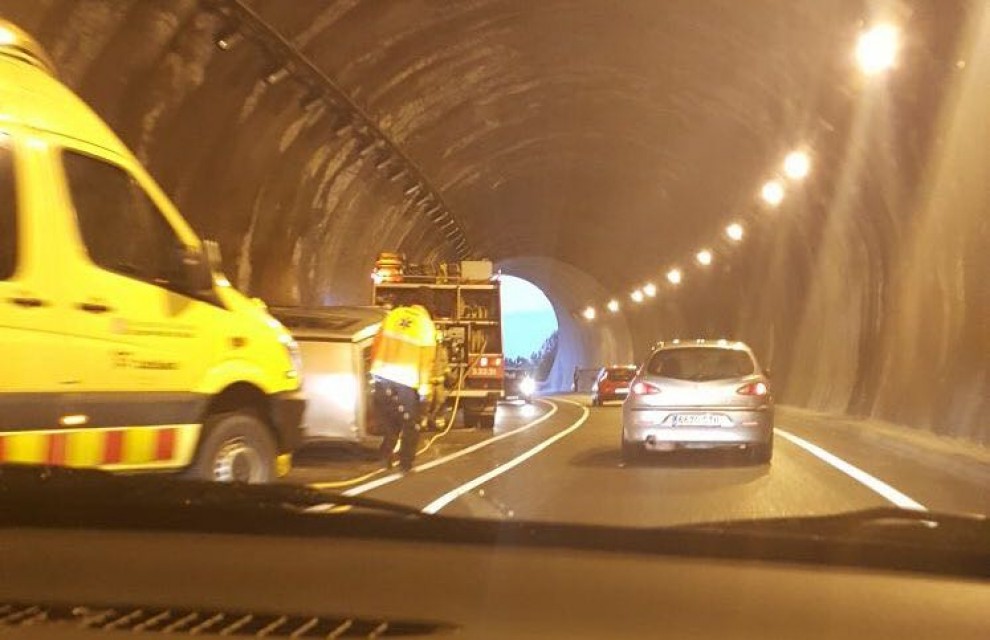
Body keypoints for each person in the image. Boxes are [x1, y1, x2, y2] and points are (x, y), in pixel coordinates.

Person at [369, 288, 438, 471]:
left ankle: (385, 456)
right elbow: (426, 362)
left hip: (381, 376)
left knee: (391, 420)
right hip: (405, 381)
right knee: (411, 423)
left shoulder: (393, 316)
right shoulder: (425, 325)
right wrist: (425, 393)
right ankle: (405, 462)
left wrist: (374, 371)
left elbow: (375, 345)